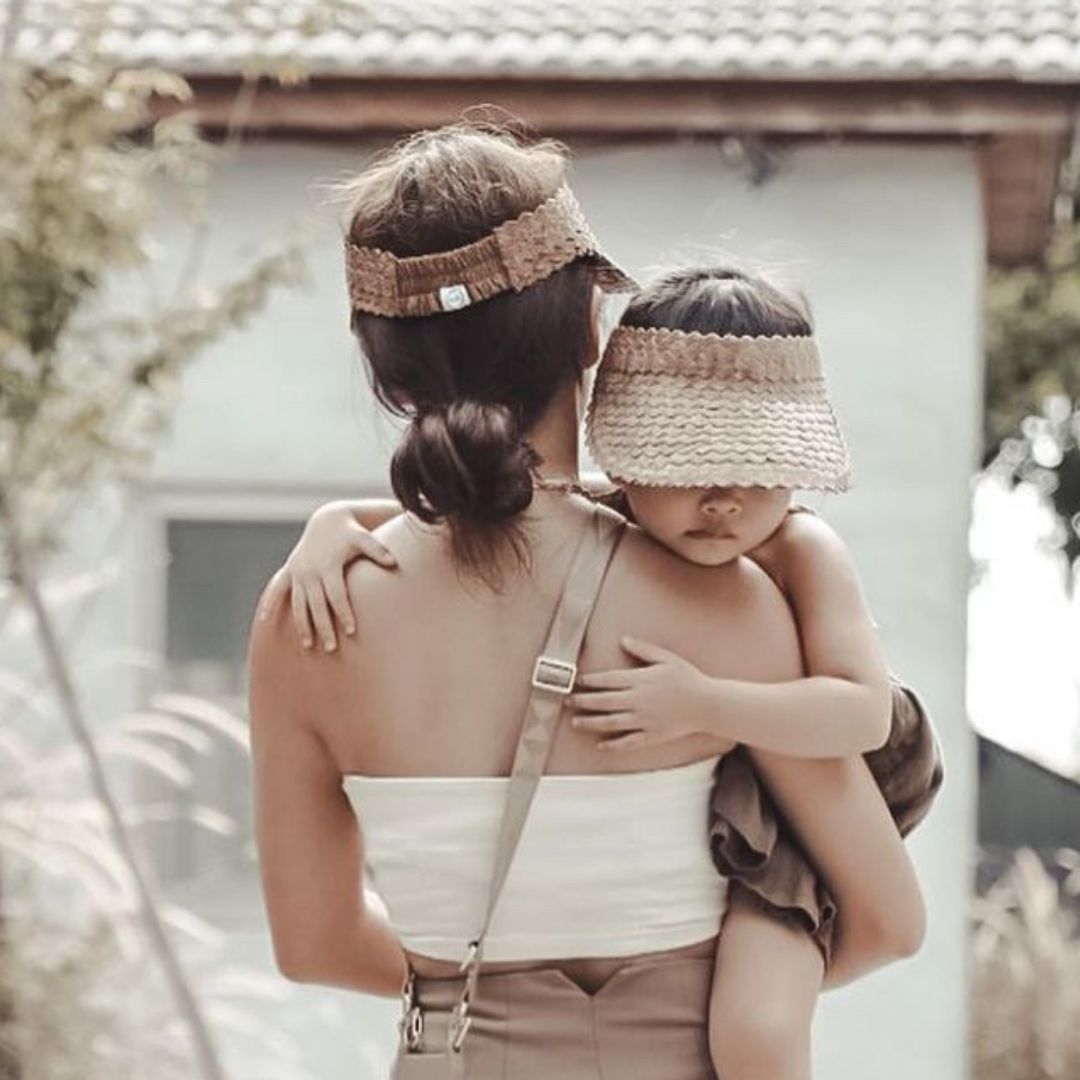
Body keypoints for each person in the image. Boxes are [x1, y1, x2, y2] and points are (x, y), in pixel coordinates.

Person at [248, 124, 926, 1080]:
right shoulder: (720, 600)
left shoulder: (307, 619)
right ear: (590, 332)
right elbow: (889, 922)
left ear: (386, 370)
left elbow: (312, 945)